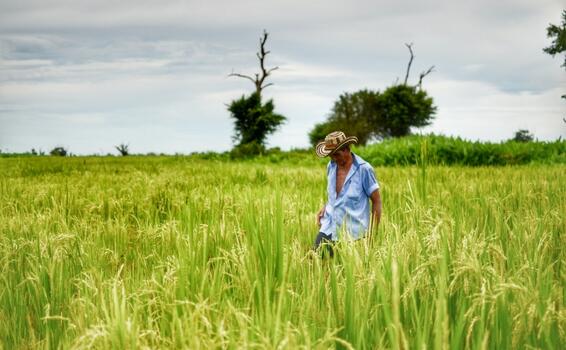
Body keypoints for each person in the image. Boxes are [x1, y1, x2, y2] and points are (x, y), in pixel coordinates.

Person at [314, 131, 382, 256]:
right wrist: (326, 206)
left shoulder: (364, 169)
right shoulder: (331, 166)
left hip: (353, 235)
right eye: (331, 156)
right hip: (329, 227)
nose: (334, 158)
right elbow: (335, 195)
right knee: (316, 264)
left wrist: (372, 234)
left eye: (337, 155)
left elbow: (376, 200)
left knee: (348, 272)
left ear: (347, 149)